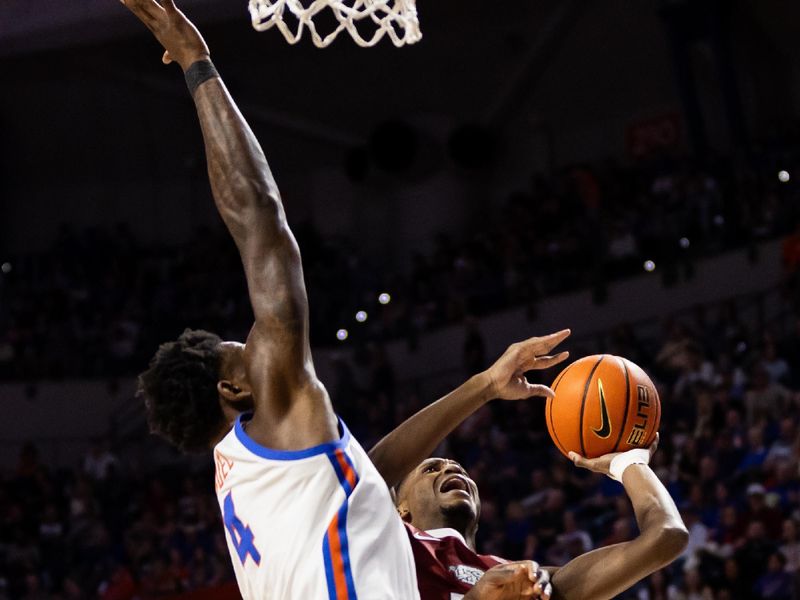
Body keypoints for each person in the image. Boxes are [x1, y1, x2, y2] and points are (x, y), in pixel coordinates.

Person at [121, 1, 568, 597]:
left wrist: (485, 385)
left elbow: (372, 478)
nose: (258, 340)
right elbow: (258, 217)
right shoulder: (277, 411)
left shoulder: (251, 469)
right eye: (243, 350)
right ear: (236, 389)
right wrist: (197, 63)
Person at [390, 437, 688, 599]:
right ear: (398, 508)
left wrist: (629, 463)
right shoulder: (394, 544)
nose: (450, 469)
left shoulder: (524, 576)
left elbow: (665, 538)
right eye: (431, 469)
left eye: (462, 472)